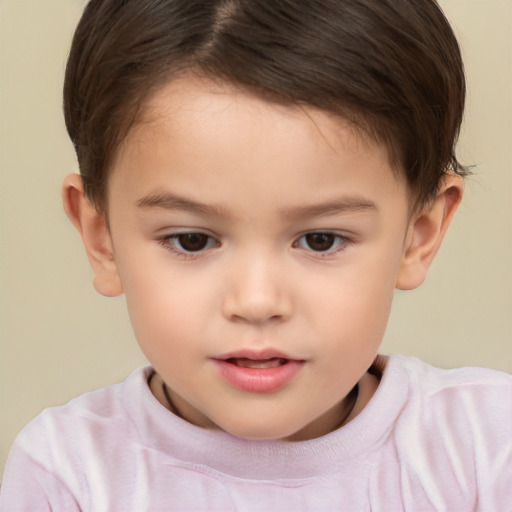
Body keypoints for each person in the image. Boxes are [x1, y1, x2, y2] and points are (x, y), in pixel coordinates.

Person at [1, 0, 511, 510]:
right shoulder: (68, 472)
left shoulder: (486, 447)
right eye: (192, 240)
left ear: (418, 234)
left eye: (320, 240)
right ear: (102, 237)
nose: (257, 301)